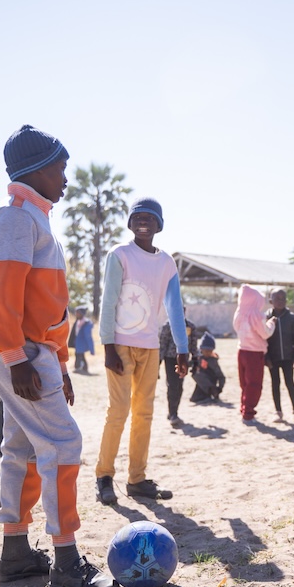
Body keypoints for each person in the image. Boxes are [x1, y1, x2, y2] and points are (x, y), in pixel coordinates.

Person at [0, 124, 116, 587]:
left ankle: (15, 555)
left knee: (24, 446)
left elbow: (48, 306)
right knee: (63, 443)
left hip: (35, 350)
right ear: (35, 170)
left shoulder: (36, 219)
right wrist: (17, 358)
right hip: (20, 349)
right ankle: (67, 562)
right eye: (60, 168)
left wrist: (61, 362)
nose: (66, 178)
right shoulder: (15, 218)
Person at [95, 197, 188, 506]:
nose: (143, 222)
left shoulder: (166, 263)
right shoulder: (120, 254)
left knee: (144, 414)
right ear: (130, 223)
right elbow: (108, 301)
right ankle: (104, 476)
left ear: (159, 225)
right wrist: (108, 346)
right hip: (120, 345)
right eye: (138, 217)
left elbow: (174, 308)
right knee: (118, 411)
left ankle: (136, 479)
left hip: (150, 347)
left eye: (150, 217)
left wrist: (182, 349)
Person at [233, 284, 276, 424]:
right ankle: (248, 413)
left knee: (244, 384)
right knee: (254, 384)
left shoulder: (239, 313)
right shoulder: (256, 314)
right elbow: (265, 333)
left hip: (241, 351)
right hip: (255, 353)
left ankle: (244, 408)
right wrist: (271, 323)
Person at [266, 288, 294, 423]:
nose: (280, 301)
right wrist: (266, 358)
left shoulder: (292, 318)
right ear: (271, 301)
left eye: (283, 299)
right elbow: (263, 339)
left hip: (288, 357)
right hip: (273, 358)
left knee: (290, 383)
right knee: (275, 384)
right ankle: (278, 412)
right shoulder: (266, 318)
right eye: (277, 299)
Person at [159, 317, 199, 427]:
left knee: (179, 386)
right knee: (172, 385)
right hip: (170, 359)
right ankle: (173, 414)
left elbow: (193, 344)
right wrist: (158, 362)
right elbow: (162, 344)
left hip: (184, 359)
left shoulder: (190, 326)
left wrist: (195, 360)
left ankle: (173, 411)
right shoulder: (168, 326)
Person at [191, 332, 226, 404]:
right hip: (201, 381)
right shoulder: (198, 358)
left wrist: (219, 388)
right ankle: (204, 393)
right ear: (201, 349)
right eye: (206, 351)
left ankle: (212, 391)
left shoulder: (213, 361)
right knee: (195, 372)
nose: (207, 353)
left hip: (211, 381)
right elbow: (191, 363)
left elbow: (221, 376)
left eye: (210, 351)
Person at [70, 306, 94, 374]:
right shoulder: (77, 322)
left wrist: (91, 349)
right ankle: (83, 368)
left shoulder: (86, 323)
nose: (76, 314)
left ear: (82, 313)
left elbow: (88, 336)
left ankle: (80, 367)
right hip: (77, 342)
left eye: (78, 313)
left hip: (82, 343)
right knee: (80, 355)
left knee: (79, 355)